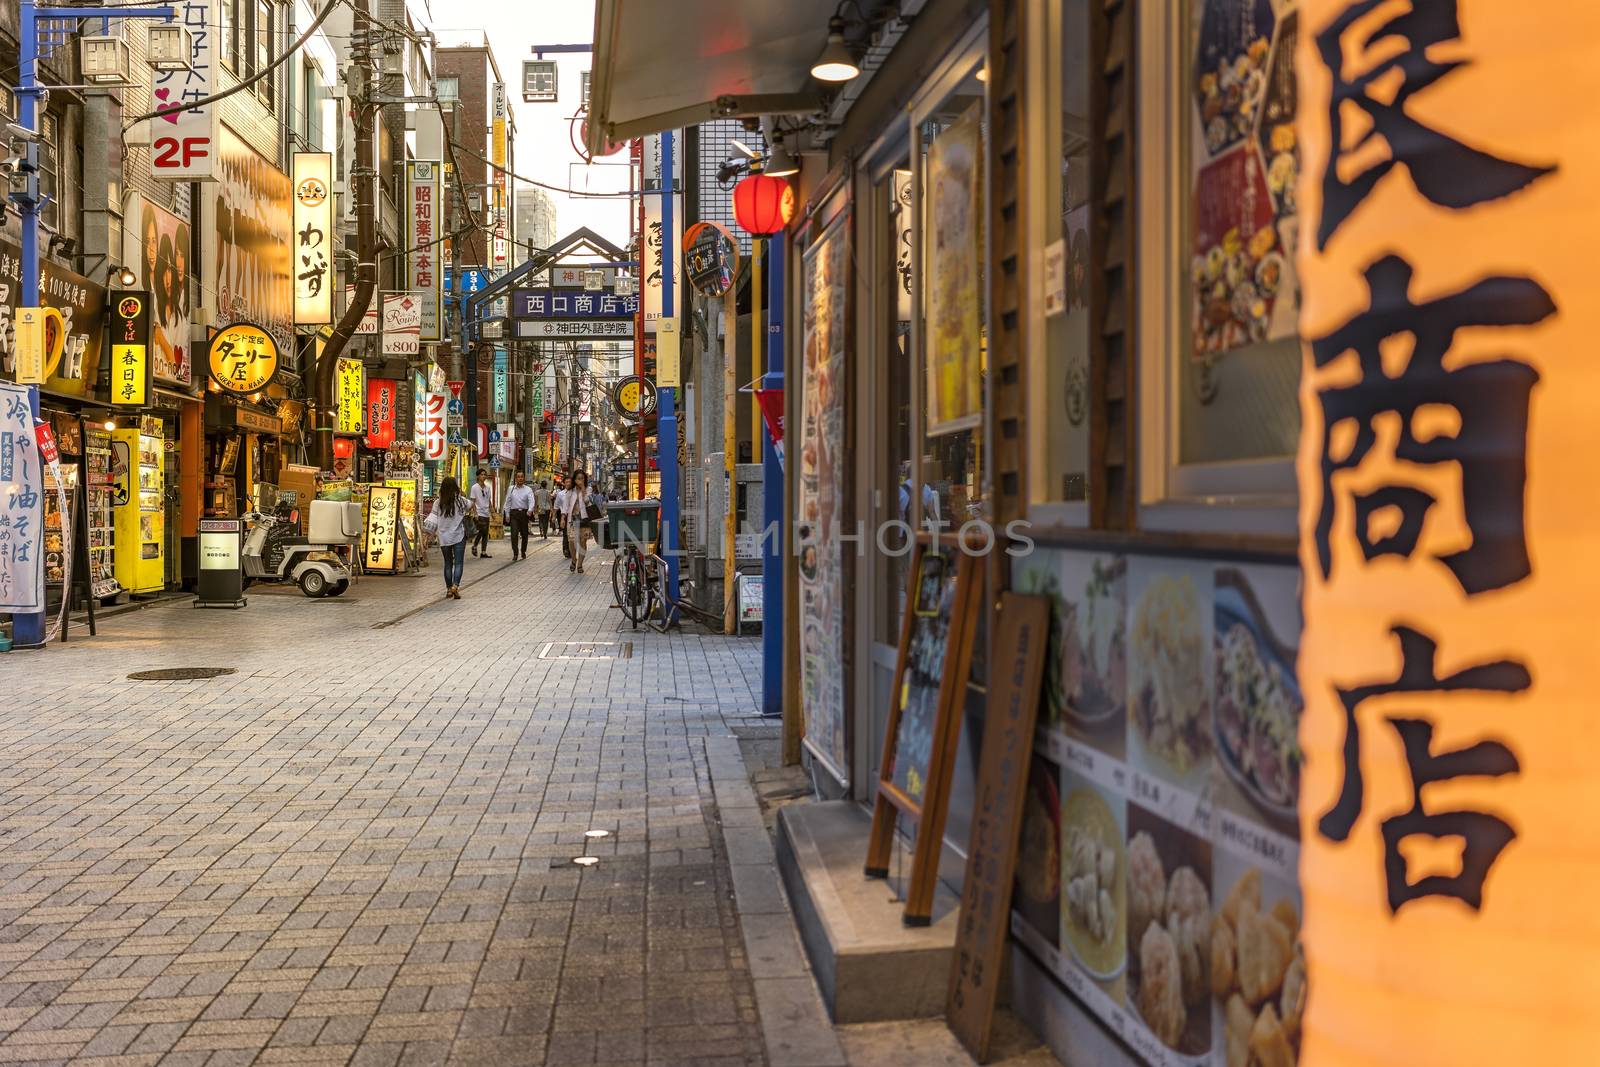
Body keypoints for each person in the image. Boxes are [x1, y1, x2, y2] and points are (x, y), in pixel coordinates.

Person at [431, 476, 469, 599]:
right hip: (458, 536)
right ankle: (455, 586)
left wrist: (428, 534)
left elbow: (432, 519)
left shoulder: (438, 503)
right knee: (458, 563)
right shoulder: (461, 501)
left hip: (444, 537)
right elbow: (471, 505)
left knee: (448, 563)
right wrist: (461, 494)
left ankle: (448, 589)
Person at [562, 470, 595, 573]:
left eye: (582, 478)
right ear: (574, 480)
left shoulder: (588, 489)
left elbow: (587, 501)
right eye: (578, 478)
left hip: (585, 519)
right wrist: (563, 517)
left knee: (582, 542)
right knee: (571, 541)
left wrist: (583, 488)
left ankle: (580, 564)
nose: (580, 480)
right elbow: (565, 506)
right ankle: (573, 559)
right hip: (573, 520)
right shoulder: (570, 491)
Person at [505, 471, 534, 560]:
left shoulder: (528, 489)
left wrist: (530, 510)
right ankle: (515, 553)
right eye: (518, 477)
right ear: (516, 478)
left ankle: (523, 551)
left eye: (522, 477)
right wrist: (507, 514)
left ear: (524, 478)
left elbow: (531, 500)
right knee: (514, 534)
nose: (520, 478)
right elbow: (508, 502)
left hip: (524, 514)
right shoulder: (511, 489)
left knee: (524, 534)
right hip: (514, 514)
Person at [468, 469, 494, 558]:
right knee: (481, 531)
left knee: (485, 533)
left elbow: (488, 500)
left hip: (486, 513)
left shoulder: (488, 488)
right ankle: (475, 546)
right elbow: (473, 501)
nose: (484, 476)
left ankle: (483, 552)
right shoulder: (474, 487)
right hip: (479, 513)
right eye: (482, 474)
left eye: (485, 474)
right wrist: (475, 513)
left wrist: (492, 510)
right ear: (478, 476)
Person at [554, 476, 572, 559]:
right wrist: (553, 516)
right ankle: (565, 550)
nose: (568, 483)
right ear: (564, 483)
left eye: (570, 482)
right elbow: (556, 506)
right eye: (566, 482)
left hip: (574, 516)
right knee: (565, 534)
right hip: (564, 515)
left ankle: (571, 550)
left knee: (572, 534)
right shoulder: (560, 494)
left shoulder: (575, 492)